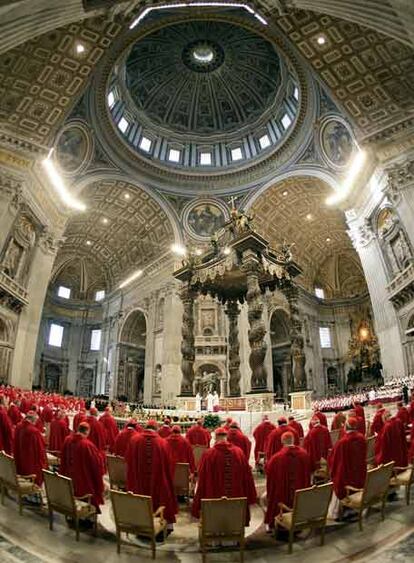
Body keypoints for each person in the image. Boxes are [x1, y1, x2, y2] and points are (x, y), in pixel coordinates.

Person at [192, 427, 257, 524]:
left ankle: (215, 530)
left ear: (215, 438)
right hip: (236, 501)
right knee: (235, 517)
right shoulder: (239, 452)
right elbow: (247, 477)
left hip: (214, 498)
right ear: (226, 437)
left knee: (214, 517)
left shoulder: (208, 454)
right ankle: (234, 531)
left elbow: (202, 479)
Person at [125, 420, 177, 529]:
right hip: (158, 482)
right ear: (157, 428)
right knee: (163, 496)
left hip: (138, 481)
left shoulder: (134, 440)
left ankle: (139, 524)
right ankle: (162, 525)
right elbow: (170, 466)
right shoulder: (163, 443)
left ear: (145, 427)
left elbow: (128, 460)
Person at [264, 431, 311, 530]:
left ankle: (277, 521)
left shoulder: (276, 458)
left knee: (274, 493)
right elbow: (309, 473)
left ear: (282, 441)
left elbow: (269, 474)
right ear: (293, 440)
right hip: (300, 496)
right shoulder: (304, 454)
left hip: (282, 497)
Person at [60, 421, 105, 510]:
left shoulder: (67, 440)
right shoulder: (87, 445)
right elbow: (96, 466)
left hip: (69, 479)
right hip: (83, 484)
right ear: (87, 431)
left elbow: (63, 458)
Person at [328, 417, 367, 501]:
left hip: (347, 476)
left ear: (345, 427)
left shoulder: (342, 442)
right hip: (360, 474)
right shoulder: (362, 438)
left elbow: (334, 460)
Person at [14, 411, 47, 485]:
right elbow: (40, 450)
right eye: (36, 421)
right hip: (31, 466)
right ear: (33, 420)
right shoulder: (34, 432)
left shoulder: (18, 426)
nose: (35, 423)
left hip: (20, 462)